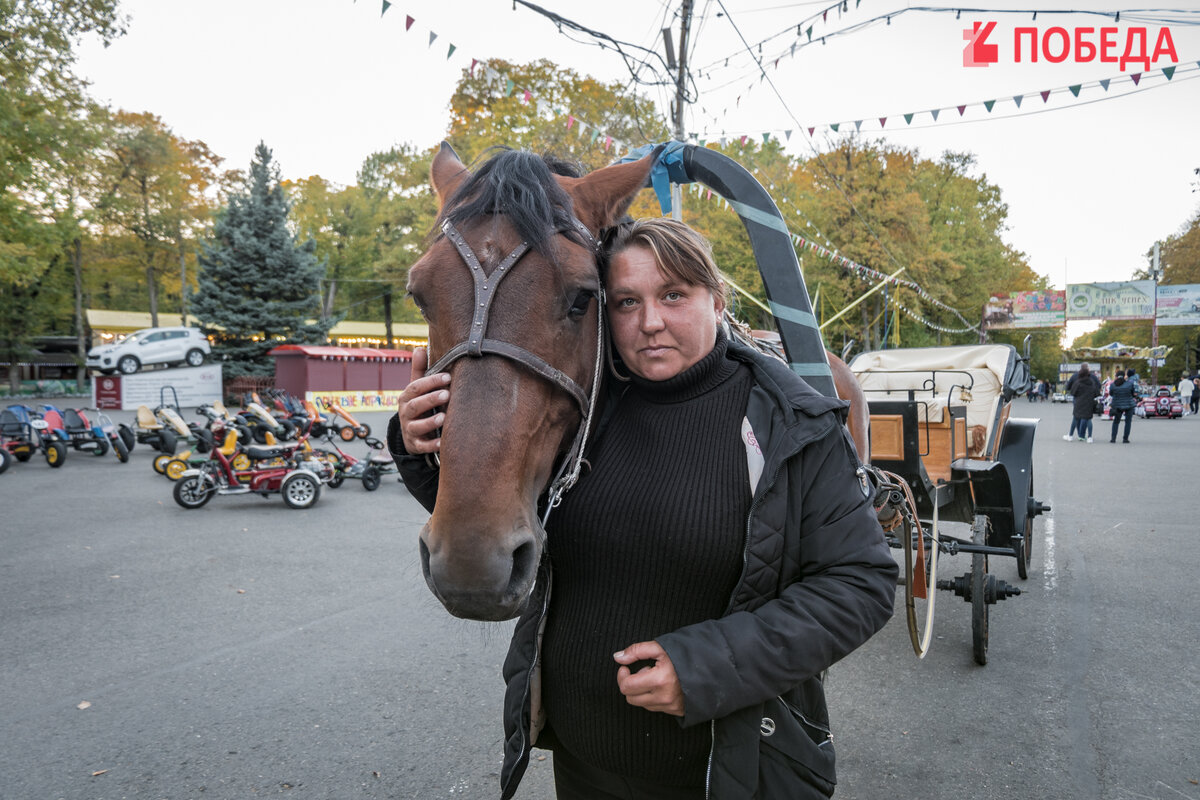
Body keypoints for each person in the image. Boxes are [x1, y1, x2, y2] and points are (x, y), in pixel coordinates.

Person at [391, 218, 898, 800]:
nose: (650, 322)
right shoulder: (585, 416)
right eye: (627, 301)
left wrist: (704, 667)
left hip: (726, 771)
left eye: (674, 295)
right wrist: (419, 444)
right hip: (583, 766)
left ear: (717, 300)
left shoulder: (789, 424)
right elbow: (502, 526)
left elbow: (860, 583)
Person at [1063, 363, 1101, 442]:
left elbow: (1072, 391)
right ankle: (1089, 437)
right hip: (1089, 401)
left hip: (1078, 401)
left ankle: (1071, 435)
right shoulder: (1092, 380)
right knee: (1088, 418)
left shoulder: (1077, 380)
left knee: (1076, 418)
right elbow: (1097, 390)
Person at [1108, 368, 1139, 443]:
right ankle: (1125, 439)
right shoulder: (1129, 384)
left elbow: (1111, 394)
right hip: (1129, 405)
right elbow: (1133, 394)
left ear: (1116, 376)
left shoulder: (1113, 385)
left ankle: (1113, 438)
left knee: (1116, 422)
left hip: (1117, 405)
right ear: (1124, 376)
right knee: (1128, 422)